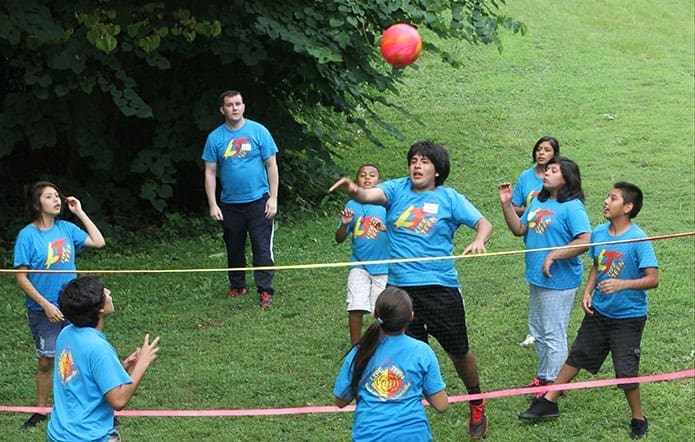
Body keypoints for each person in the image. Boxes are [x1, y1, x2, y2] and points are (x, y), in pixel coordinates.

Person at [330, 141, 493, 440]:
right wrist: (352, 189)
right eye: (413, 160)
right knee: (410, 351)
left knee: (458, 351)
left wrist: (480, 239)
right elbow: (368, 194)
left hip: (441, 287)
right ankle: (409, 411)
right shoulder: (395, 189)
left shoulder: (450, 198)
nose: (417, 166)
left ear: (438, 169)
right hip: (400, 290)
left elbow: (484, 223)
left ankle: (476, 400)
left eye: (425, 161)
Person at [519, 182, 658, 440]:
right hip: (599, 313)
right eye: (607, 196)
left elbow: (653, 279)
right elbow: (597, 263)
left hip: (628, 318)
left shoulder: (639, 239)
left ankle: (638, 418)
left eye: (613, 198)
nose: (606, 201)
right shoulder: (599, 233)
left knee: (626, 373)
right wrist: (587, 291)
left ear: (627, 207)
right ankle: (549, 401)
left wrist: (622, 284)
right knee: (577, 356)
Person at [13, 181, 106, 430]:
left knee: (84, 355)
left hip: (74, 305)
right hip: (43, 309)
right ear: (36, 204)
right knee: (47, 361)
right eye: (49, 197)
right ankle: (41, 410)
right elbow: (21, 278)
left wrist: (79, 212)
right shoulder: (27, 236)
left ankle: (94, 405)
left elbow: (99, 242)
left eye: (57, 196)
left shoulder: (66, 228)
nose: (57, 200)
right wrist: (45, 305)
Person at [498, 156, 591, 398]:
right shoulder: (538, 202)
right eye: (546, 170)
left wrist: (554, 256)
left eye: (553, 170)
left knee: (553, 332)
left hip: (559, 282)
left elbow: (584, 241)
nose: (546, 174)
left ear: (566, 179)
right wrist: (507, 205)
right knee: (538, 330)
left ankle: (553, 387)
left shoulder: (572, 207)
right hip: (537, 278)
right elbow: (519, 229)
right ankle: (543, 378)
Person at [47, 276, 160, 442]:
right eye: (104, 292)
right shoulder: (98, 348)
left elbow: (81, 377)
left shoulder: (66, 334)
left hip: (58, 434)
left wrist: (121, 369)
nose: (108, 292)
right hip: (86, 437)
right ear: (99, 308)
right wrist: (142, 363)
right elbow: (118, 400)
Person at [333, 287, 448, 441]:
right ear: (411, 316)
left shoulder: (359, 352)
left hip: (369, 436)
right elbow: (441, 405)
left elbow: (341, 401)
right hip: (413, 436)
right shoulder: (422, 351)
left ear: (375, 314)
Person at [202, 90, 280, 308]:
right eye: (229, 104)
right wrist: (213, 203)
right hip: (230, 205)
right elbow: (209, 172)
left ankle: (265, 290)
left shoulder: (259, 131)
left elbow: (272, 165)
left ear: (243, 106)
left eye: (238, 103)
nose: (234, 108)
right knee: (233, 246)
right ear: (222, 110)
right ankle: (238, 285)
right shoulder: (215, 138)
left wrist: (272, 198)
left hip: (259, 202)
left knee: (261, 247)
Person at [511, 136, 560, 347]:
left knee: (549, 285)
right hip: (532, 236)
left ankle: (550, 329)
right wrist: (531, 212)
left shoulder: (558, 178)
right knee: (535, 283)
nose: (541, 153)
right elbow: (514, 206)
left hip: (551, 238)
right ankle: (534, 331)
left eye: (547, 150)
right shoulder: (525, 177)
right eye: (538, 149)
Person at [335, 163, 389, 345]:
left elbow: (399, 232)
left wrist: (384, 228)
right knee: (355, 306)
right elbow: (339, 238)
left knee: (381, 309)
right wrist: (344, 224)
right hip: (359, 264)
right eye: (363, 175)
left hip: (384, 266)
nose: (367, 178)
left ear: (379, 181)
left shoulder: (385, 204)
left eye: (372, 175)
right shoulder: (351, 205)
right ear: (357, 179)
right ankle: (355, 347)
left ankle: (382, 343)